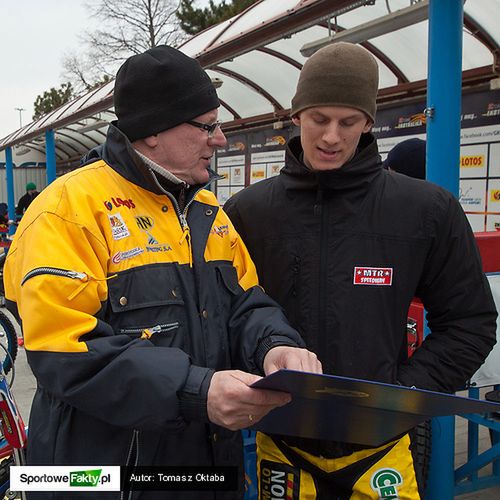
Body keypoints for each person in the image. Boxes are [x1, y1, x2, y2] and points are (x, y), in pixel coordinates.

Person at [3, 46, 321, 500]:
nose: (221, 139)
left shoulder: (207, 211)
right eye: (208, 125)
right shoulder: (64, 211)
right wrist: (197, 391)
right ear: (153, 131)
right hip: (98, 480)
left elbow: (247, 302)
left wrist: (276, 345)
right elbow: (64, 352)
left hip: (204, 470)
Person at [224, 42, 497, 499]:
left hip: (383, 449)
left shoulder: (425, 210)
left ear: (369, 122)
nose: (332, 136)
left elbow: (470, 322)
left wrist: (402, 393)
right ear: (296, 117)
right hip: (281, 444)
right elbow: (224, 315)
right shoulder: (248, 211)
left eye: (348, 122)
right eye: (319, 119)